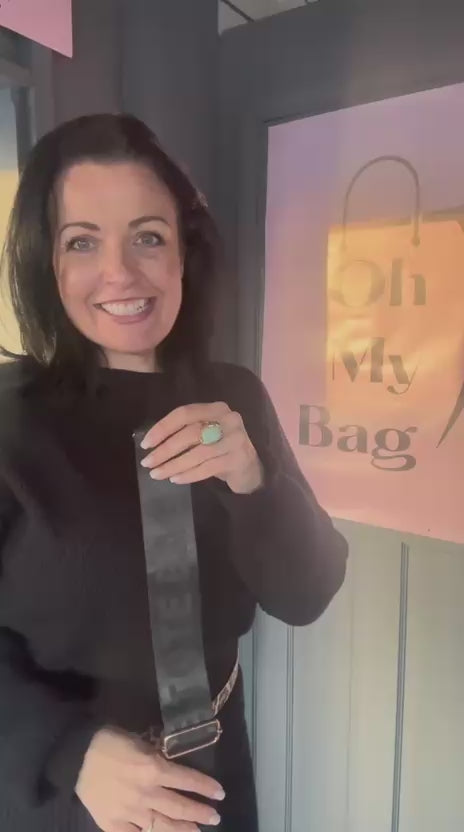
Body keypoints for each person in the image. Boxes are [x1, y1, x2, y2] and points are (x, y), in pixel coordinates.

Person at [0, 113, 348, 832]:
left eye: (148, 237)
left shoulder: (235, 398)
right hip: (63, 795)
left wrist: (254, 481)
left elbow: (307, 593)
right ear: (45, 261)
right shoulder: (10, 420)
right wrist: (69, 753)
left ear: (184, 251)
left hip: (216, 781)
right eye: (82, 241)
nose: (121, 272)